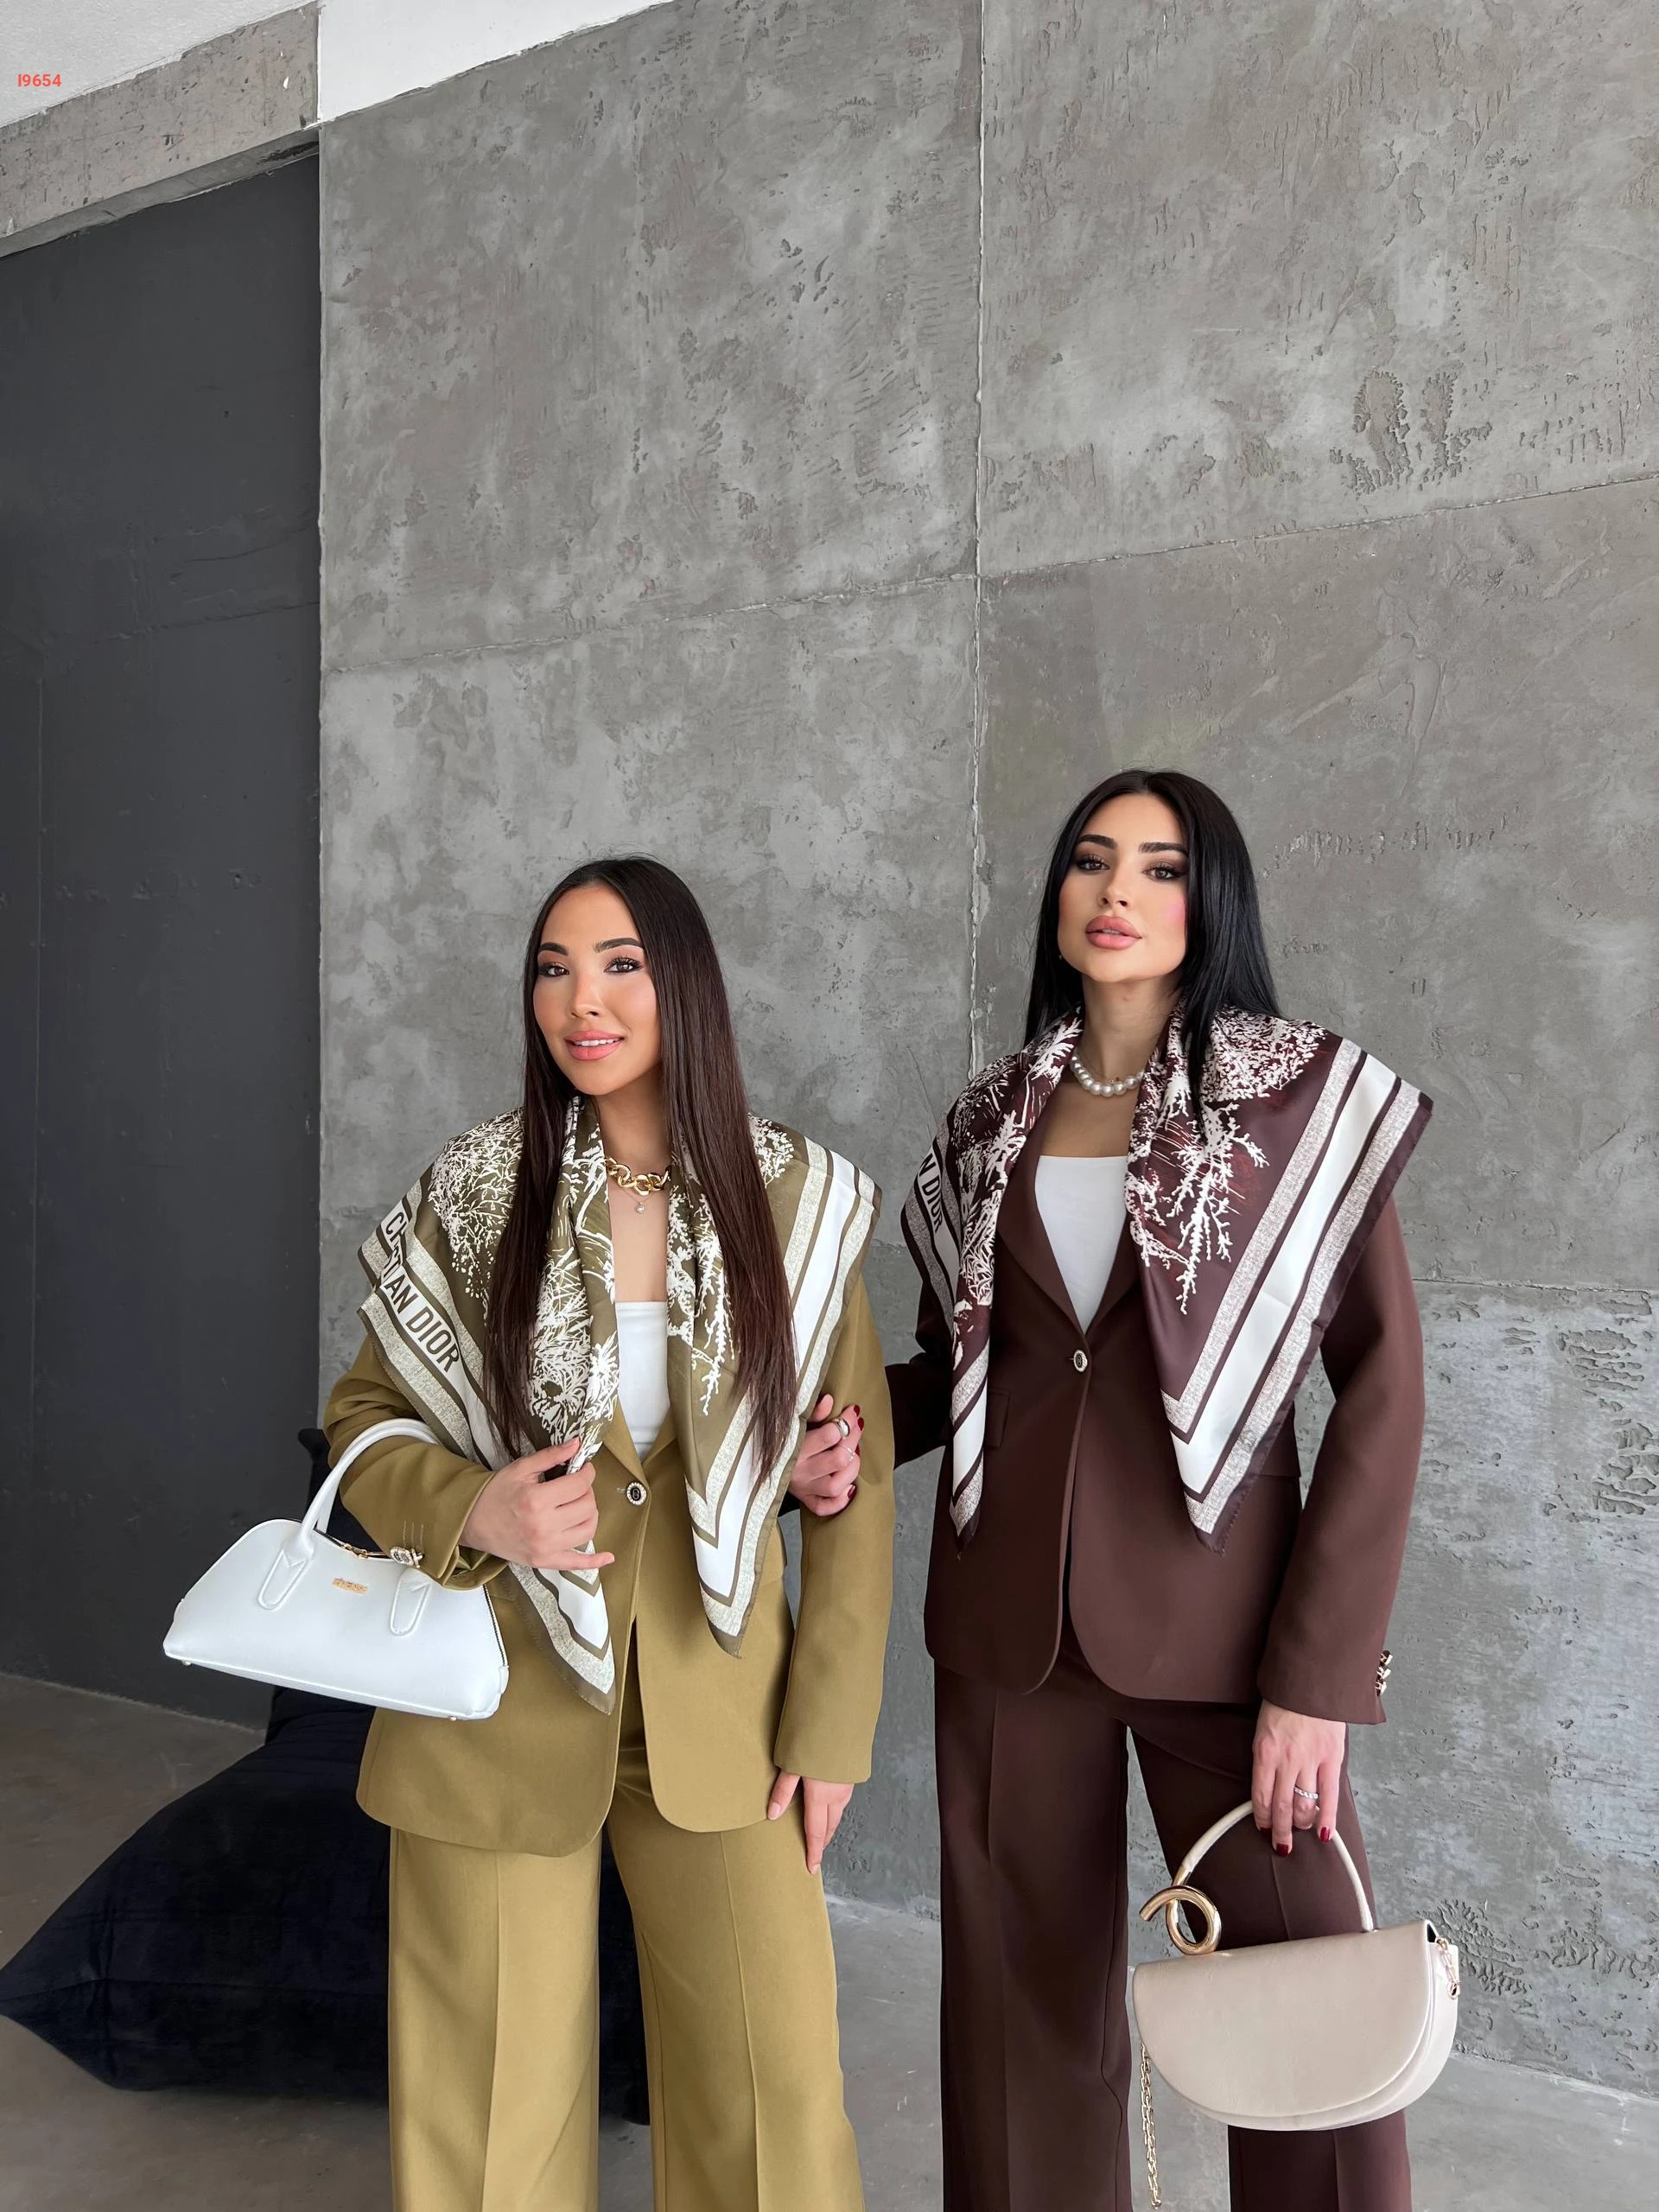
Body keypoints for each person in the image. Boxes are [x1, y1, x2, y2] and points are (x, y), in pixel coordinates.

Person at [890, 769, 1431, 2212]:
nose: (1117, 890)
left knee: (1313, 2009)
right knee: (1019, 2025)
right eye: (1091, 860)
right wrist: (848, 1433)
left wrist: (1317, 1680)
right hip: (1009, 1635)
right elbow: (962, 1366)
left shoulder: (1298, 1104)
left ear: (1212, 902)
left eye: (1161, 866)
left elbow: (1384, 1385)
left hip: (1231, 1643)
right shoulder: (990, 1117)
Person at [322, 855, 893, 2212]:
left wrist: (829, 1731)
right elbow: (361, 1421)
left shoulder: (794, 1202)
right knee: (489, 2123)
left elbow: (854, 1475)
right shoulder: (476, 1190)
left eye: (620, 963)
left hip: (727, 1710)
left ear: (683, 981)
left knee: (772, 2102)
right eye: (553, 968)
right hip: (495, 1706)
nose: (582, 999)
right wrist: (477, 1506)